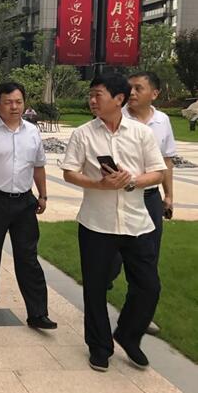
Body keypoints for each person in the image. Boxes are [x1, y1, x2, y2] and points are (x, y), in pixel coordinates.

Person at [61, 73, 165, 372]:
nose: (92, 100)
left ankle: (128, 335)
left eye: (98, 94)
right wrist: (99, 184)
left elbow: (158, 172)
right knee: (95, 288)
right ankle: (99, 347)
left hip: (136, 222)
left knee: (148, 286)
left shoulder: (141, 133)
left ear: (119, 99)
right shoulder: (83, 134)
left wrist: (130, 180)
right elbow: (70, 172)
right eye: (91, 95)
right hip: (96, 224)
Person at [0, 82, 56, 330]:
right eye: (8, 102)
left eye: (18, 102)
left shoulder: (32, 132)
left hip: (24, 202)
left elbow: (38, 166)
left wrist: (43, 195)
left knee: (28, 256)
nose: (14, 107)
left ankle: (38, 312)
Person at [109, 72, 177, 287]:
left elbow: (166, 161)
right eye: (130, 88)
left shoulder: (162, 121)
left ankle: (141, 299)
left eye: (138, 88)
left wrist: (168, 195)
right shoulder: (116, 116)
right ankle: (104, 279)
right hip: (119, 196)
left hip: (150, 197)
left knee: (148, 256)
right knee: (111, 255)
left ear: (154, 94)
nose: (132, 93)